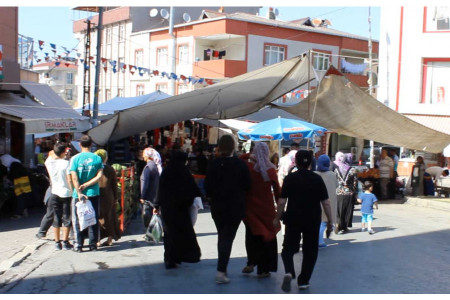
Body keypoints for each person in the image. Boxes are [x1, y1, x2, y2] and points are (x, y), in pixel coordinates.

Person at [273, 150, 333, 292]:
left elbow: (281, 202)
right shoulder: (317, 179)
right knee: (310, 251)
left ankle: (289, 271)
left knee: (288, 249)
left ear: (296, 162)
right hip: (312, 219)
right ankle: (304, 280)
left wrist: (276, 218)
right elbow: (326, 202)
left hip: (293, 217)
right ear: (311, 163)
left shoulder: (290, 178)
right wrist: (330, 221)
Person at [204, 135, 251, 284]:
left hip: (217, 206)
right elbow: (247, 186)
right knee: (227, 238)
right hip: (235, 206)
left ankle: (222, 268)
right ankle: (221, 270)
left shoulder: (213, 164)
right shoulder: (240, 165)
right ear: (233, 147)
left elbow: (207, 186)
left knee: (222, 236)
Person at [154, 151, 202, 269]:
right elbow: (193, 189)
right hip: (181, 208)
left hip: (168, 207)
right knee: (180, 232)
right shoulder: (184, 171)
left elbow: (160, 189)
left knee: (169, 232)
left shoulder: (167, 171)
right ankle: (178, 257)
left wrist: (156, 204)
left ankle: (169, 258)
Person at [241, 142, 280, 278]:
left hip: (250, 207)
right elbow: (277, 192)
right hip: (267, 208)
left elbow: (239, 158)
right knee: (267, 238)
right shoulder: (270, 170)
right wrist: (279, 210)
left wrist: (250, 155)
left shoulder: (248, 167)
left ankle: (251, 262)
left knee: (251, 236)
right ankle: (264, 269)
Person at [70, 135, 104, 252]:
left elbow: (74, 177)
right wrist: (88, 184)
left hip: (78, 194)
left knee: (78, 219)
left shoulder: (74, 159)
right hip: (93, 192)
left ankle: (78, 245)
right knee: (93, 218)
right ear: (91, 145)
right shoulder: (97, 158)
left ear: (80, 145)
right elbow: (99, 176)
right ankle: (93, 244)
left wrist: (79, 191)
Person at [45, 142, 73, 251]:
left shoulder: (49, 162)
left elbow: (51, 153)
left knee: (56, 218)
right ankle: (65, 241)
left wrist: (58, 151)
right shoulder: (66, 164)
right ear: (62, 153)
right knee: (67, 217)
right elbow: (69, 179)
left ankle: (57, 242)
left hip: (54, 192)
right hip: (66, 193)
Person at [94, 149, 121, 247]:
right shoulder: (110, 169)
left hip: (96, 195)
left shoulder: (94, 168)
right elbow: (114, 185)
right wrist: (116, 197)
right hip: (108, 196)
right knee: (109, 217)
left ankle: (97, 240)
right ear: (106, 157)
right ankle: (110, 239)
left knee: (97, 218)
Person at [314, 154, 337, 248]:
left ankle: (317, 240)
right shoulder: (332, 175)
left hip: (316, 201)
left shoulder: (314, 174)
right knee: (324, 221)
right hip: (329, 200)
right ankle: (319, 241)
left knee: (318, 221)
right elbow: (336, 185)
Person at [1, 153, 32, 220]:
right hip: (24, 182)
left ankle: (18, 213)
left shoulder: (14, 165)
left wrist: (7, 178)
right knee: (23, 197)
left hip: (19, 183)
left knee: (20, 198)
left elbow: (13, 175)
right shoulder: (16, 162)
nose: (3, 162)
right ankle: (24, 211)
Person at [333, 152, 357, 234]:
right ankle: (344, 226)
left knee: (339, 209)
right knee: (347, 210)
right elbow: (354, 183)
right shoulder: (352, 170)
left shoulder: (336, 169)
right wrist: (354, 192)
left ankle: (337, 225)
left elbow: (335, 180)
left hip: (339, 192)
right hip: (348, 193)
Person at [140, 147, 161, 240]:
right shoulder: (155, 165)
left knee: (147, 215)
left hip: (149, 195)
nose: (142, 156)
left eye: (144, 154)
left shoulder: (149, 167)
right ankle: (154, 233)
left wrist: (143, 196)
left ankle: (150, 234)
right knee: (154, 215)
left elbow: (146, 183)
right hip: (154, 194)